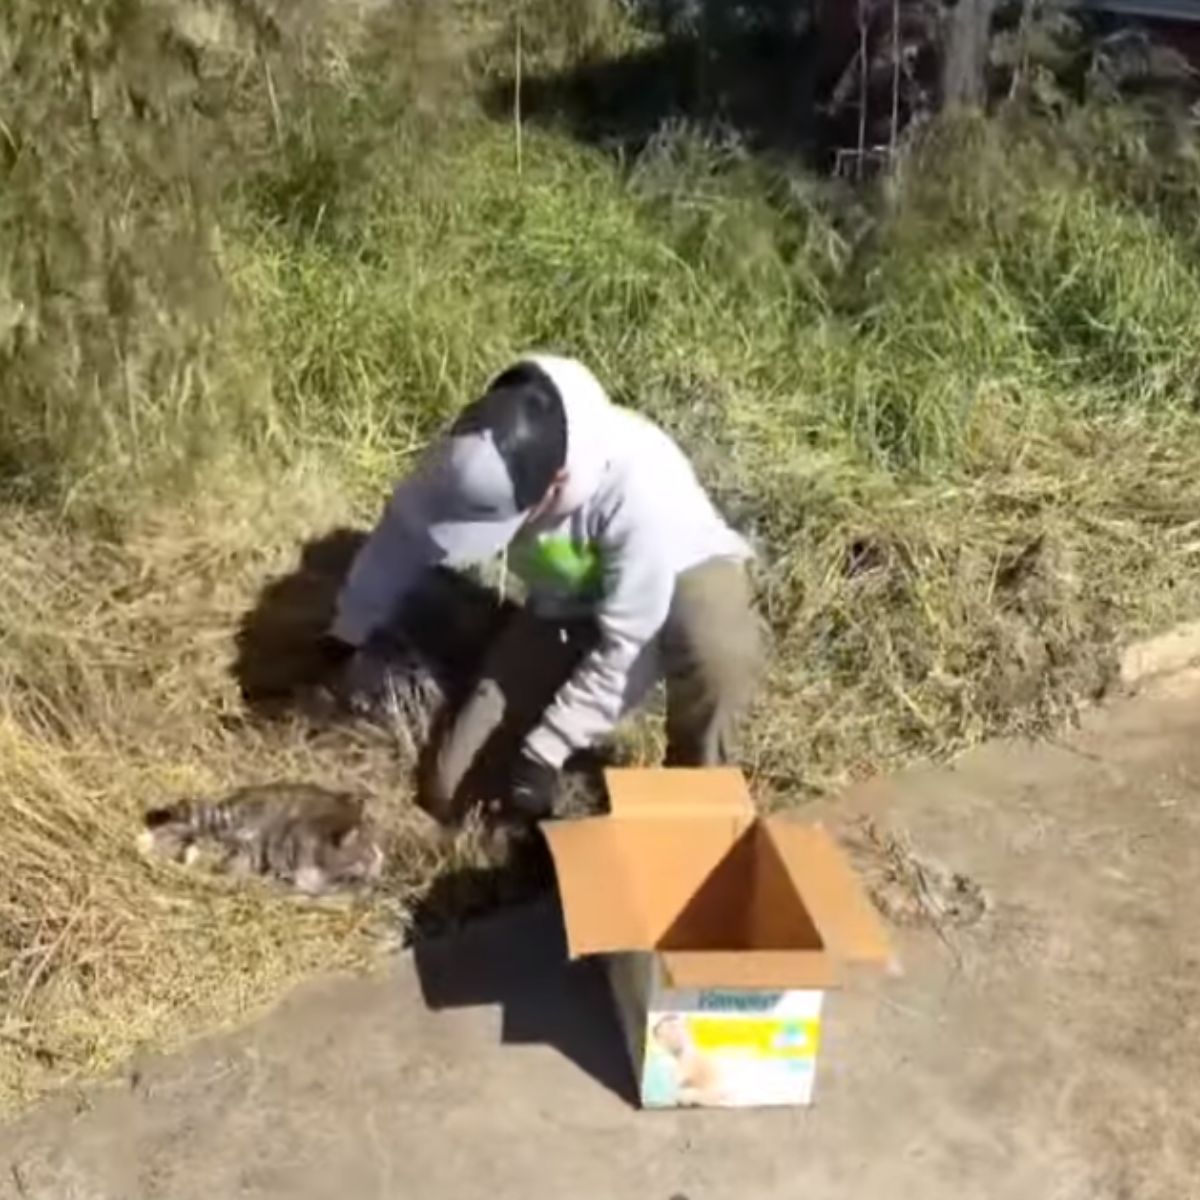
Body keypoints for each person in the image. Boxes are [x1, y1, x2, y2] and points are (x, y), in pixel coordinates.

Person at [323, 353, 763, 822]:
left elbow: (630, 647)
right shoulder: (471, 450)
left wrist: (546, 751)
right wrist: (348, 629)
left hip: (678, 577)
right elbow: (402, 536)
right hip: (570, 604)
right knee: (450, 789)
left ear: (556, 485)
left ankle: (700, 804)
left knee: (714, 647)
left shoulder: (640, 488)